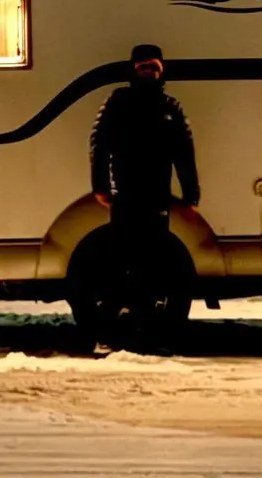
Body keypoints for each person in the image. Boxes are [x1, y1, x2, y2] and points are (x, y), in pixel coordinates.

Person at [87, 44, 200, 317]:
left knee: (154, 259)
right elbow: (98, 144)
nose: (148, 71)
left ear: (161, 71)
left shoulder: (170, 107)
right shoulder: (117, 101)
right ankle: (112, 322)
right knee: (120, 256)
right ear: (134, 70)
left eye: (154, 67)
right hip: (124, 193)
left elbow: (184, 152)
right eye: (142, 67)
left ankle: (148, 321)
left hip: (157, 194)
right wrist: (100, 187)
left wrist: (190, 194)